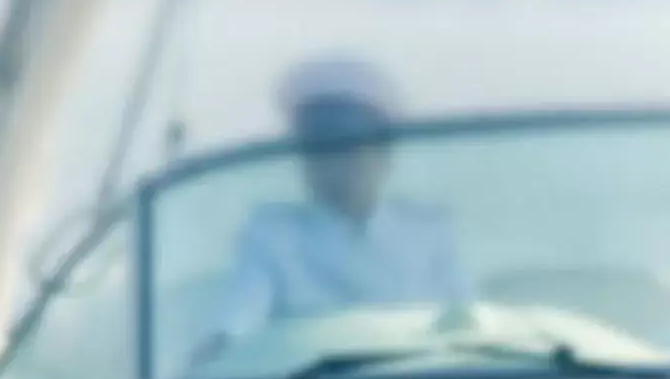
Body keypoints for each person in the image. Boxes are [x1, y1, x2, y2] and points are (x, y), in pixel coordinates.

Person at [190, 58, 467, 357]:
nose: (334, 164)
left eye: (349, 146)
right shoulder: (272, 237)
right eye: (318, 149)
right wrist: (213, 351)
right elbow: (236, 321)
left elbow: (466, 327)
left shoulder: (428, 233)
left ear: (384, 153)